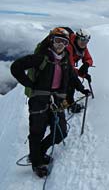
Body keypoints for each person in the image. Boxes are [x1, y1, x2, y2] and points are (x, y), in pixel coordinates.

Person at [10, 27, 90, 178]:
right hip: (39, 100)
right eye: (57, 41)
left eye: (64, 42)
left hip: (57, 100)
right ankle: (37, 163)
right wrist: (28, 83)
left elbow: (72, 76)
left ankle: (39, 152)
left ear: (67, 44)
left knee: (61, 132)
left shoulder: (66, 59)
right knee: (37, 132)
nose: (60, 45)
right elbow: (16, 67)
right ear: (51, 41)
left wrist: (82, 89)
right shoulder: (41, 57)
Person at [66, 28, 94, 113]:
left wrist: (86, 64)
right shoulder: (68, 47)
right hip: (62, 68)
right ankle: (70, 104)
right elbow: (70, 69)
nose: (84, 42)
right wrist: (83, 76)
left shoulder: (83, 47)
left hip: (68, 68)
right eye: (82, 39)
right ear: (77, 37)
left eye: (86, 40)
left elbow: (89, 58)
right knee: (71, 83)